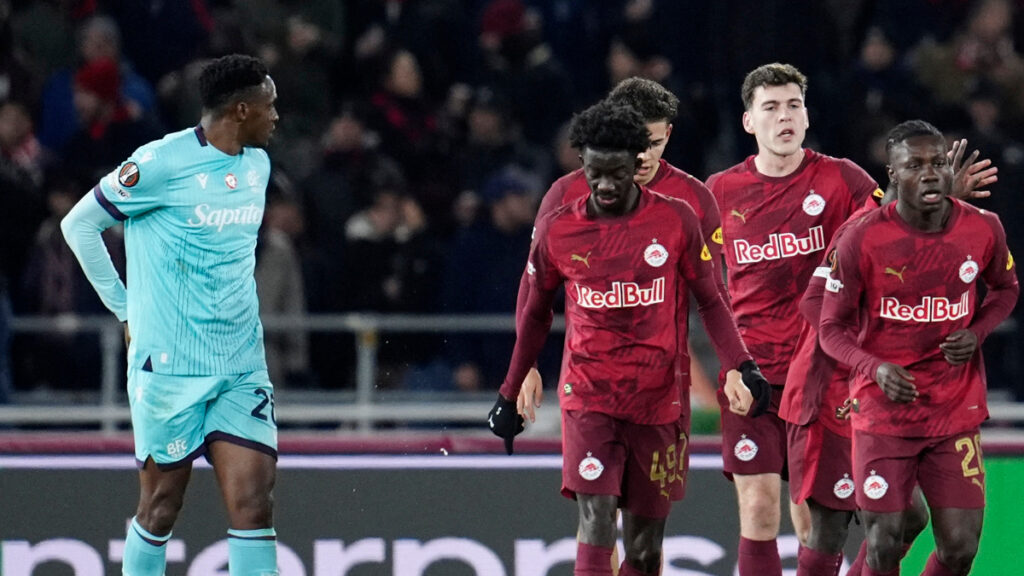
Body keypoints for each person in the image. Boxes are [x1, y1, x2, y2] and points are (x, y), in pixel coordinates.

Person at [488, 100, 770, 576]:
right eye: (595, 172)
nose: (604, 184)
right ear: (582, 164)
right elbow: (535, 314)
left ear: (638, 165)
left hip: (658, 401)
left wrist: (742, 365)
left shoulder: (676, 219)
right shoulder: (560, 228)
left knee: (643, 549)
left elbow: (712, 300)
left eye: (616, 173)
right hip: (590, 396)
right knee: (596, 520)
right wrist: (509, 388)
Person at [60, 54, 281, 576]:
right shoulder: (159, 163)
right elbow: (79, 226)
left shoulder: (258, 165)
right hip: (170, 368)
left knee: (254, 505)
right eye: (270, 106)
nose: (277, 117)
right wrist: (123, 308)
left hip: (241, 366)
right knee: (161, 508)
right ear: (242, 109)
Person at [779, 137, 999, 576]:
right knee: (830, 527)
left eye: (936, 169)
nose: (930, 180)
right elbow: (813, 306)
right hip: (832, 395)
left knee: (911, 521)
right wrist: (872, 353)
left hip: (891, 401)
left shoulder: (959, 227)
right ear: (895, 177)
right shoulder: (859, 231)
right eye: (918, 169)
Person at [703, 62, 882, 576]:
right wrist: (730, 364)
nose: (784, 117)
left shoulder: (844, 180)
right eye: (771, 107)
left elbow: (889, 243)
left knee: (813, 519)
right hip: (752, 372)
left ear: (806, 117)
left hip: (823, 375)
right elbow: (703, 286)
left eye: (794, 106)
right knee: (757, 510)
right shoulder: (718, 192)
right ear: (748, 122)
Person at [516, 76, 729, 422]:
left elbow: (713, 295)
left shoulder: (695, 200)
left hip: (667, 382)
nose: (644, 156)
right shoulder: (563, 195)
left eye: (656, 143)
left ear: (669, 135)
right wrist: (525, 364)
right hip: (589, 382)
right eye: (635, 141)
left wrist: (734, 365)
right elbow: (532, 285)